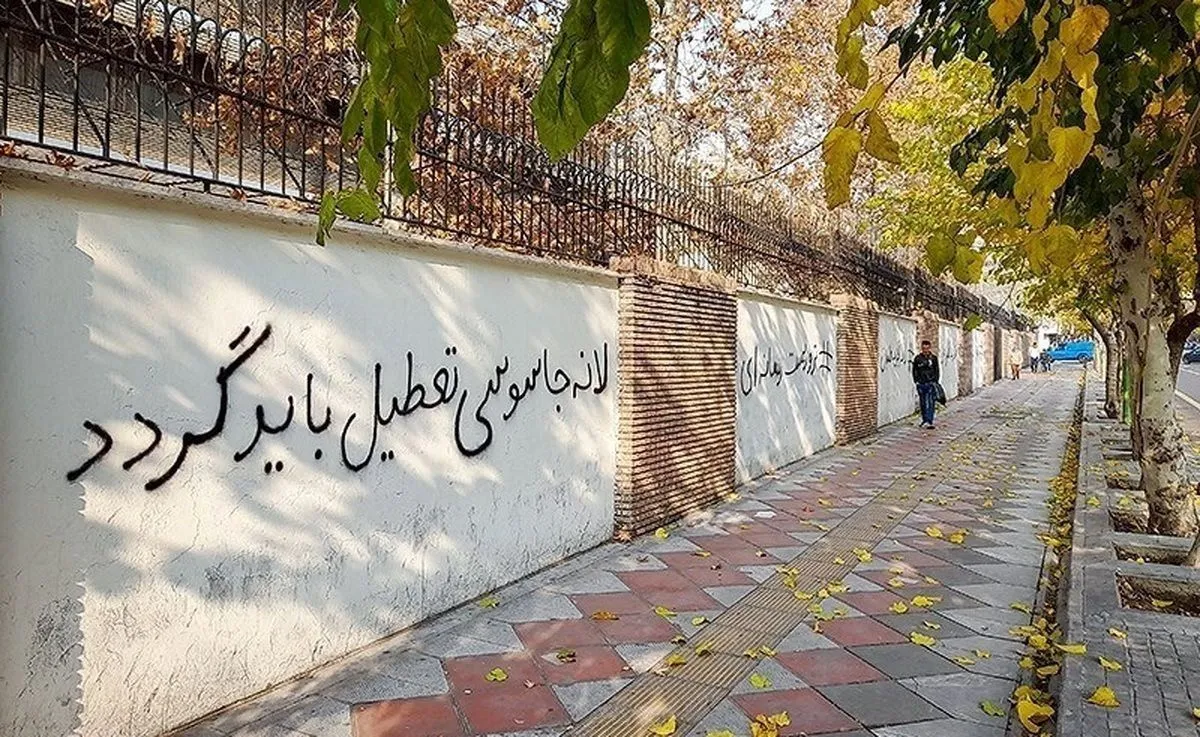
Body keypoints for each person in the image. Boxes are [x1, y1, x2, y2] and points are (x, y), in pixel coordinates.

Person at [912, 340, 940, 429]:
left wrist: (935, 381)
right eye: (924, 348)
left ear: (930, 348)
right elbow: (914, 370)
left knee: (931, 402)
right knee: (923, 402)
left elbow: (937, 370)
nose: (925, 350)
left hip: (930, 383)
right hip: (921, 383)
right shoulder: (918, 358)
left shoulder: (933, 358)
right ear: (922, 348)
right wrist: (916, 381)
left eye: (927, 348)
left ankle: (929, 420)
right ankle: (924, 419)